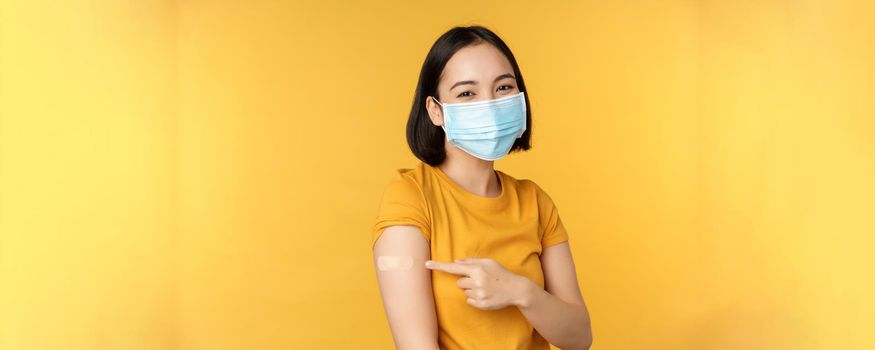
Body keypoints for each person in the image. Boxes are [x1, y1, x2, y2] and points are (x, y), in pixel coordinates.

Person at [371, 25, 593, 350]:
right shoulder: (411, 197)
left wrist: (521, 291)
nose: (489, 104)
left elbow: (579, 338)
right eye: (466, 93)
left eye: (503, 87)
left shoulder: (535, 201)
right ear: (435, 110)